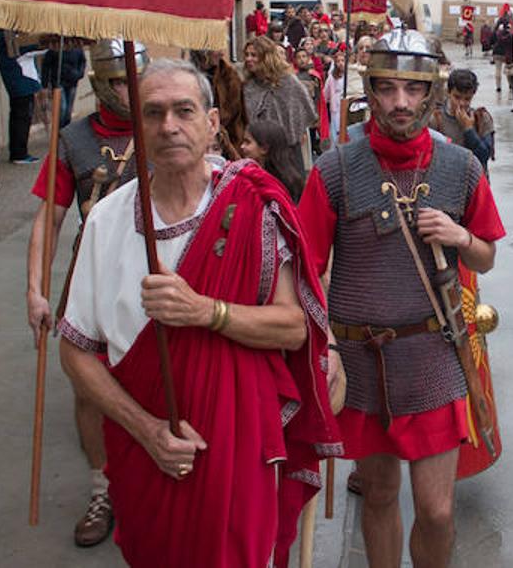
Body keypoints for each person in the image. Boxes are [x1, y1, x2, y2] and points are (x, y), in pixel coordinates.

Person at [58, 59, 340, 567]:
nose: (169, 126)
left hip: (239, 448)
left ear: (211, 122)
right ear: (138, 128)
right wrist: (147, 431)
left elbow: (294, 326)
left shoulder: (254, 205)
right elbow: (76, 350)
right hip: (145, 452)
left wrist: (207, 311)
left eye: (184, 110)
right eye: (154, 113)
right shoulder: (107, 221)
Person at [297, 29, 505, 568]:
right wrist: (323, 344)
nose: (400, 103)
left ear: (430, 94)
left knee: (436, 511)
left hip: (433, 355)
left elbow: (485, 257)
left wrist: (460, 237)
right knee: (382, 496)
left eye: (411, 90)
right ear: (370, 89)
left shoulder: (460, 166)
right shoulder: (335, 169)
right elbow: (306, 271)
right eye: (387, 89)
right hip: (362, 358)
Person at [25, 40, 145, 547]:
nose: (127, 90)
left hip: (154, 274)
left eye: (132, 79)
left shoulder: (161, 123)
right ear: (98, 83)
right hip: (91, 275)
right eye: (117, 81)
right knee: (89, 385)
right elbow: (48, 219)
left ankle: (151, 481)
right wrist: (35, 290)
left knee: (158, 382)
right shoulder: (72, 138)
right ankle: (104, 487)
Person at [242, 36, 318, 170]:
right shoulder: (248, 86)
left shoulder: (288, 82)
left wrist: (296, 131)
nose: (248, 59)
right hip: (258, 156)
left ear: (266, 57)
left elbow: (304, 110)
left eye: (254, 55)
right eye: (247, 55)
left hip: (288, 154)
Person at [430, 68, 495, 171]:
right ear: (449, 93)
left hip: (474, 181)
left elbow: (484, 156)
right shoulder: (435, 119)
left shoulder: (482, 119)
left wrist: (469, 129)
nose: (462, 103)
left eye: (467, 99)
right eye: (457, 97)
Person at [0, 30, 42, 164]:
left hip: (23, 80)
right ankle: (19, 153)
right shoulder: (5, 34)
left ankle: (20, 151)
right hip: (18, 80)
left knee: (24, 117)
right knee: (21, 117)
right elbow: (18, 49)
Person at [240, 119, 307, 204]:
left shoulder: (285, 185)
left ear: (264, 148)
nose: (242, 146)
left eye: (247, 142)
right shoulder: (247, 174)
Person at [42, 41, 88, 128]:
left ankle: (66, 129)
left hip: (72, 82)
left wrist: (79, 74)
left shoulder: (77, 49)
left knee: (68, 110)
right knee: (62, 108)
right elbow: (46, 67)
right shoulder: (54, 50)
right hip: (58, 83)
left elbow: (82, 61)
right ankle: (59, 130)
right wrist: (44, 84)